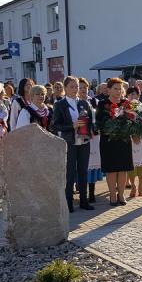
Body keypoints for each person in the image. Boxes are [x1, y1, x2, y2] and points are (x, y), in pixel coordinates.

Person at [51, 76, 95, 212]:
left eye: (76, 86)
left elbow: (90, 121)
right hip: (69, 142)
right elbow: (55, 125)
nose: (75, 89)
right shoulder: (60, 104)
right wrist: (72, 125)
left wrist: (91, 129)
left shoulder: (84, 103)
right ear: (65, 88)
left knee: (83, 171)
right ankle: (68, 203)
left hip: (84, 141)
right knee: (70, 173)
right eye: (72, 86)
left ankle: (84, 201)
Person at [95, 78, 134, 207]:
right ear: (109, 90)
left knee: (123, 168)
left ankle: (121, 195)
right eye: (115, 89)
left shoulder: (125, 103)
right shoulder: (102, 104)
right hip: (108, 141)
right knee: (111, 169)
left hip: (124, 140)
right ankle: (112, 195)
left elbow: (132, 120)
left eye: (120, 89)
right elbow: (99, 121)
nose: (118, 91)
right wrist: (110, 127)